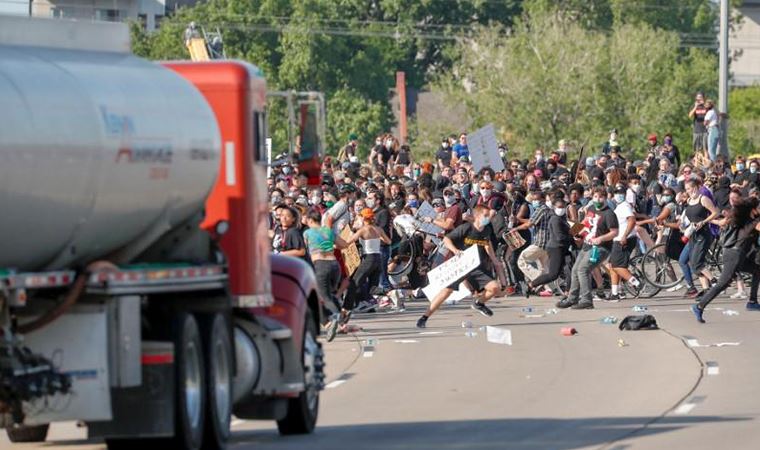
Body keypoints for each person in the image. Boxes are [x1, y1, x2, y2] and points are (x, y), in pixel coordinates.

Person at [416, 205, 507, 328]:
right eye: (485, 215)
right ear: (477, 216)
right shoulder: (466, 228)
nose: (487, 218)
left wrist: (494, 259)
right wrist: (455, 250)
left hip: (476, 266)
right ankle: (424, 317)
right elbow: (447, 239)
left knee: (494, 288)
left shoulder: (486, 230)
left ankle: (479, 303)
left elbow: (487, 243)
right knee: (446, 292)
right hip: (460, 265)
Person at [692, 198, 760, 323]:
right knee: (722, 283)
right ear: (753, 210)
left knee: (757, 270)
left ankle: (753, 301)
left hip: (737, 254)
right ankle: (699, 306)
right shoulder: (753, 222)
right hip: (734, 254)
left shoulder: (743, 220)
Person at [557, 187, 619, 309]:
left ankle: (586, 300)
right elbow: (585, 222)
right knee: (575, 270)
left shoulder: (609, 214)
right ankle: (572, 298)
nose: (598, 199)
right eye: (595, 197)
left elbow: (614, 232)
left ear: (605, 198)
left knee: (583, 269)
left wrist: (601, 238)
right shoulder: (590, 208)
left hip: (600, 248)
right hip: (587, 245)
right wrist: (575, 232)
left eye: (601, 197)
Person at [303, 209, 345, 341]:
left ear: (310, 220)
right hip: (334, 265)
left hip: (320, 265)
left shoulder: (308, 233)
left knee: (323, 296)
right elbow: (344, 244)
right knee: (329, 293)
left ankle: (336, 317)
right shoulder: (328, 231)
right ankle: (336, 318)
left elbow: (303, 251)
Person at [343, 208, 391, 313]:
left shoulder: (363, 230)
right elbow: (388, 241)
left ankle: (347, 307)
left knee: (354, 282)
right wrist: (378, 238)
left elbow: (348, 243)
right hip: (378, 258)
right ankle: (385, 294)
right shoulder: (378, 229)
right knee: (373, 287)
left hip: (368, 258)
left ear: (363, 218)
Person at [679, 179, 719, 297]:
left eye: (689, 189)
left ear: (695, 188)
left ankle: (714, 281)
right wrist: (683, 225)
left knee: (697, 262)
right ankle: (706, 289)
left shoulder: (703, 199)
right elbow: (689, 216)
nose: (687, 191)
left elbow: (715, 213)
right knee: (692, 262)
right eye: (686, 189)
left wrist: (704, 221)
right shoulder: (689, 200)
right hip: (693, 233)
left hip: (703, 233)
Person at [527, 198, 571, 296]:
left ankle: (568, 292)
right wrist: (571, 235)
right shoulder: (555, 219)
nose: (561, 209)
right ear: (554, 208)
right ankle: (531, 284)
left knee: (570, 269)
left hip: (563, 247)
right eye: (559, 207)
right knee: (553, 274)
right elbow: (559, 236)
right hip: (556, 248)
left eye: (563, 207)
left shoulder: (562, 218)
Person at [607, 187, 641, 301]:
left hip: (623, 240)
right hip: (618, 239)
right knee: (612, 266)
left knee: (618, 266)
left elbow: (632, 220)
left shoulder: (625, 206)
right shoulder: (620, 207)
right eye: (616, 193)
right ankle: (615, 293)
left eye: (621, 193)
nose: (618, 195)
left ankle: (636, 282)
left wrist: (624, 236)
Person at [513, 191, 551, 293]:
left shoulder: (541, 209)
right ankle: (550, 288)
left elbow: (529, 224)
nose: (535, 202)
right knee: (543, 267)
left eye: (537, 200)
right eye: (533, 200)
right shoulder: (548, 210)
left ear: (543, 200)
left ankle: (538, 281)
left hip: (540, 242)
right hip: (548, 243)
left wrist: (515, 229)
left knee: (522, 260)